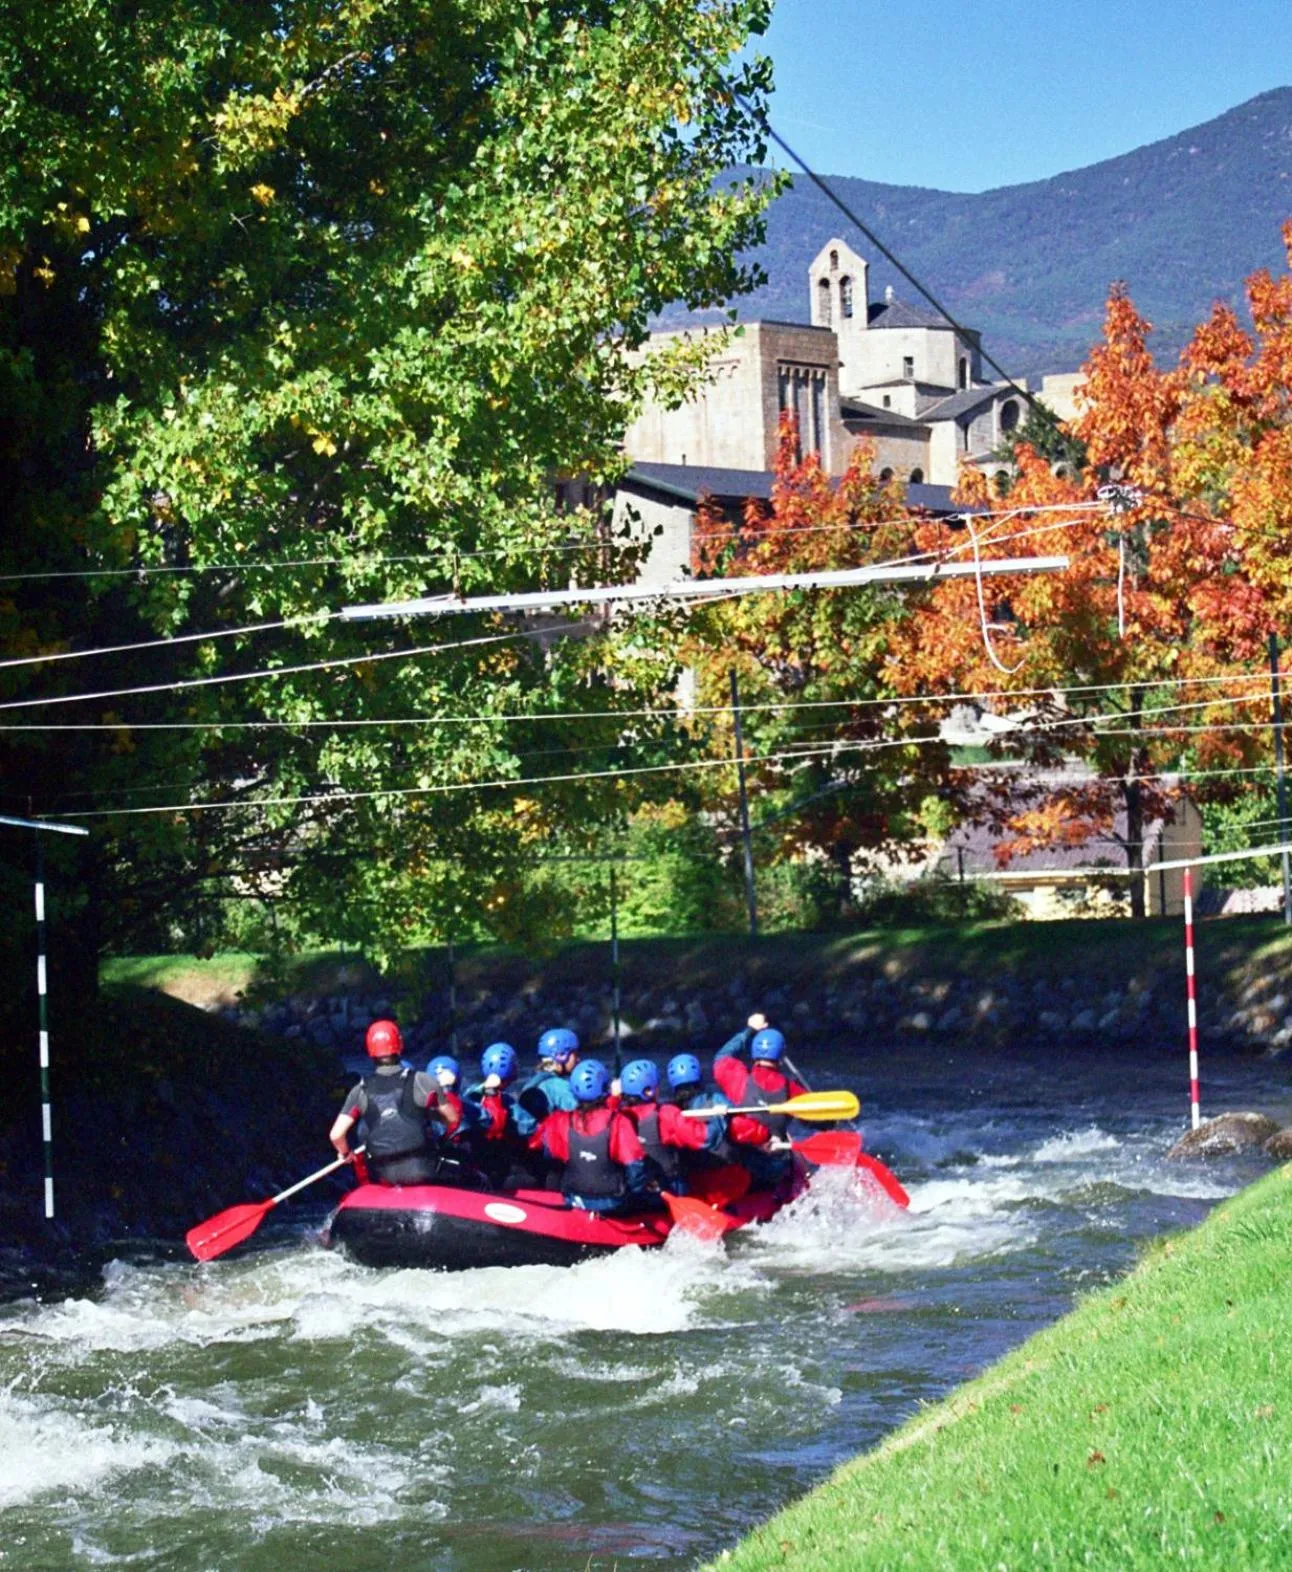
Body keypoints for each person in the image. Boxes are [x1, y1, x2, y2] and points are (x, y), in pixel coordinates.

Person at [531, 1057, 648, 1213]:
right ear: (605, 1089)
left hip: (573, 1199)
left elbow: (546, 1153)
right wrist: (636, 1192)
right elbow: (636, 1166)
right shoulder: (618, 1121)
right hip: (614, 1203)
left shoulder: (559, 1121)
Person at [330, 1019, 439, 1185]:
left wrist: (345, 1154)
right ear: (399, 1045)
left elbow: (336, 1135)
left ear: (370, 1051)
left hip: (382, 1175)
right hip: (423, 1170)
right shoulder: (422, 1081)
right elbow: (453, 1120)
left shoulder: (360, 1090)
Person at [618, 1058, 719, 1196]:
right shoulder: (666, 1114)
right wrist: (719, 1118)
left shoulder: (618, 1116)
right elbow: (705, 1138)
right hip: (669, 1187)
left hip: (636, 1189)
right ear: (648, 1091)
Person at [713, 1014, 808, 1145]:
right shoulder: (792, 1089)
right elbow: (815, 1121)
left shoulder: (737, 1079)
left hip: (744, 1150)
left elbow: (722, 1056)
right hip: (776, 1152)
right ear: (781, 1056)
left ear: (753, 1053)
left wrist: (749, 1030)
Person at [514, 1027, 581, 1134]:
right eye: (575, 1054)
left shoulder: (532, 1082)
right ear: (561, 1056)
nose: (578, 1059)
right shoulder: (559, 1086)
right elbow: (582, 1118)